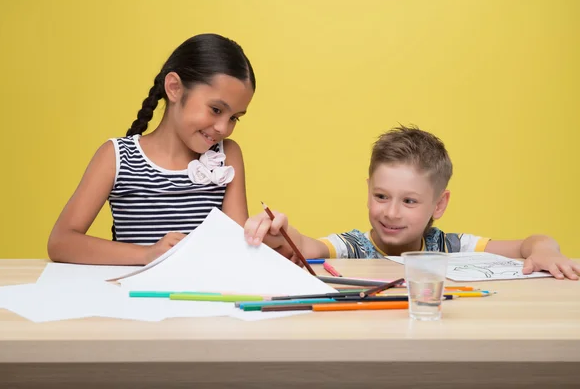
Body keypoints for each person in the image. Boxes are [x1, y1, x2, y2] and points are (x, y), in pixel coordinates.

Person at [244, 126, 580, 280]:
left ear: (439, 205)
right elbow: (307, 246)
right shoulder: (353, 247)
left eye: (409, 201)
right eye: (381, 196)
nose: (390, 212)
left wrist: (547, 251)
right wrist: (282, 233)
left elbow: (532, 244)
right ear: (368, 190)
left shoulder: (449, 246)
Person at [48, 33, 256, 265]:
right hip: (133, 297)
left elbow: (237, 248)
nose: (223, 128)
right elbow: (61, 243)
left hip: (201, 297)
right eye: (216, 110)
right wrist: (147, 255)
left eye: (234, 118)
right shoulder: (116, 157)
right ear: (174, 88)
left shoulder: (227, 156)